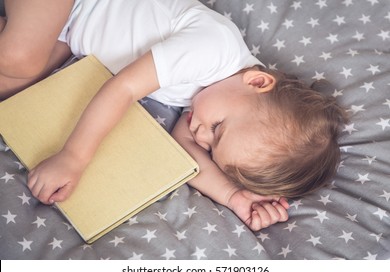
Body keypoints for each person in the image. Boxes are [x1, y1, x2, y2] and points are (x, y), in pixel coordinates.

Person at [0, 0, 347, 231]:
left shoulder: (214, 98)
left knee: (10, 82)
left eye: (212, 147)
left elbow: (185, 151)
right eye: (218, 129)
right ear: (257, 82)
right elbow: (123, 88)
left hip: (69, 30)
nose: (200, 135)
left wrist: (232, 195)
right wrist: (74, 157)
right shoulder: (214, 50)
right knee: (21, 58)